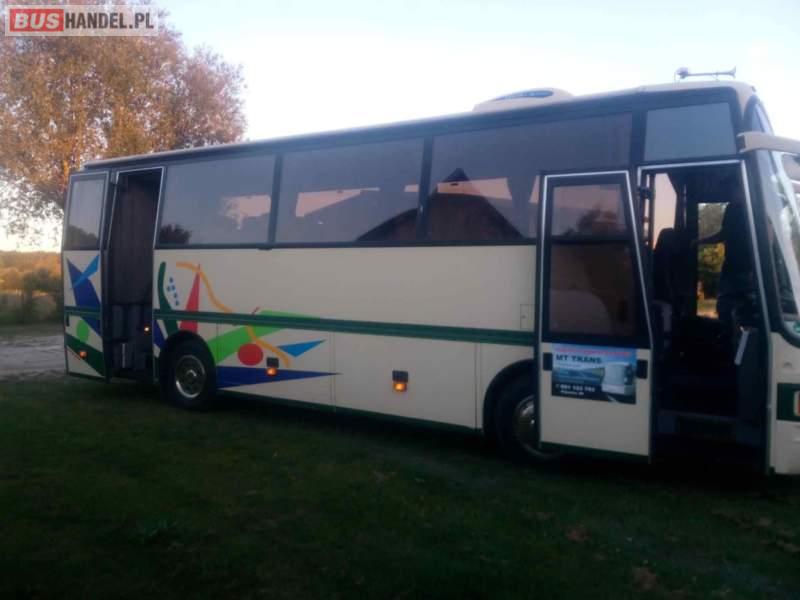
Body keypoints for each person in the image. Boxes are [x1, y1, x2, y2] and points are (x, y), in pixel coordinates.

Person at [696, 198, 756, 332]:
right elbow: (724, 233)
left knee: (740, 308)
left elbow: (723, 234)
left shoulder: (754, 204)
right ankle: (730, 335)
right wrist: (700, 241)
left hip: (746, 269)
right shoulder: (734, 207)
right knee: (727, 307)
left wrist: (700, 241)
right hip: (735, 268)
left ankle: (734, 333)